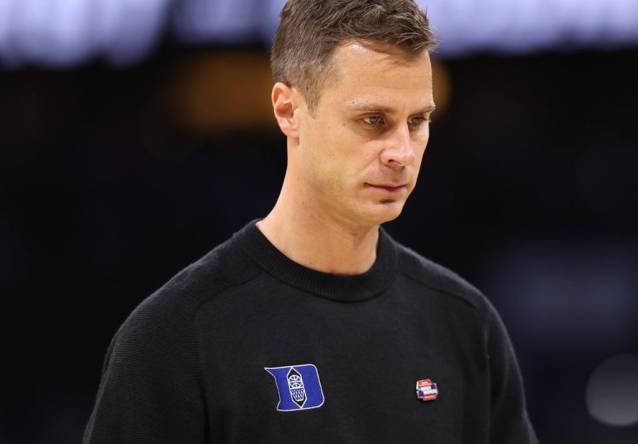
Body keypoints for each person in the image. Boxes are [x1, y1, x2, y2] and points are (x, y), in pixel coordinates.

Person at [83, 0, 537, 442]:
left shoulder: (465, 323)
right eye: (372, 120)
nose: (401, 152)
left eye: (417, 121)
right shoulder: (176, 337)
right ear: (288, 110)